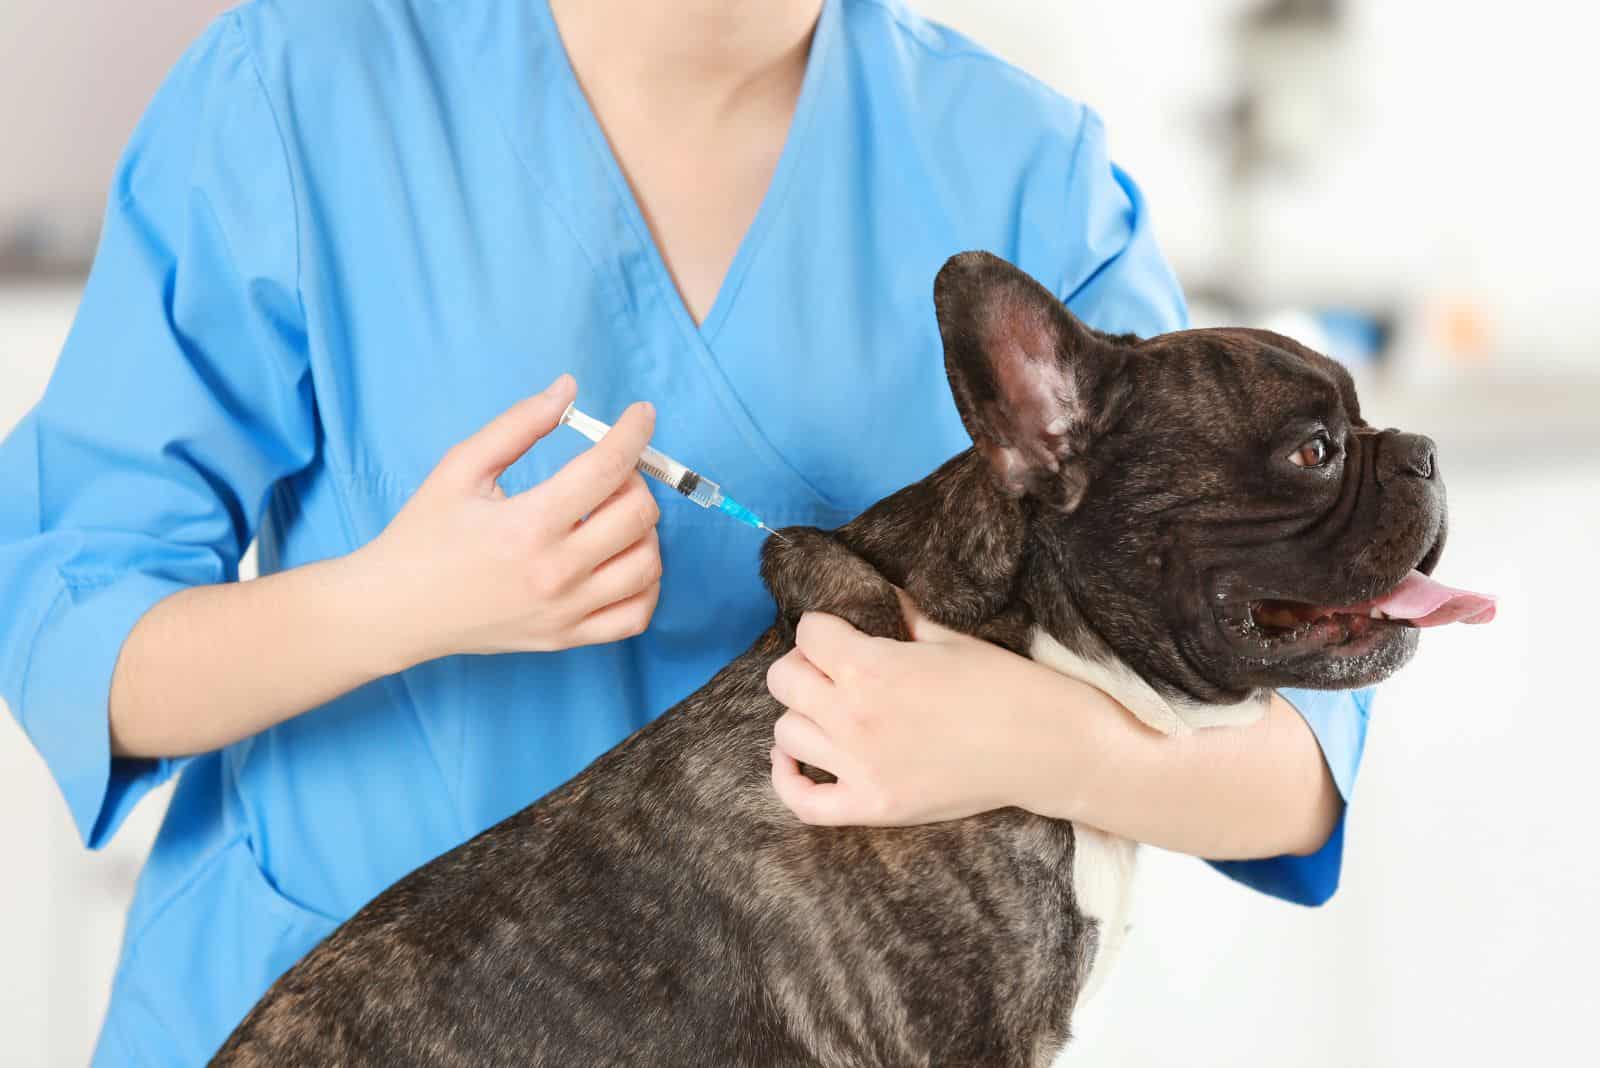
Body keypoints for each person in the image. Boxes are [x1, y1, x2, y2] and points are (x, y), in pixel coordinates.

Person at [0, 0, 1370, 1062]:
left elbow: (1300, 763)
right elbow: (66, 629)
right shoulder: (303, 91)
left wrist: (1032, 738)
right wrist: (394, 604)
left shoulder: (1018, 170)